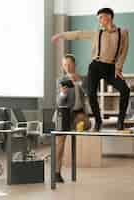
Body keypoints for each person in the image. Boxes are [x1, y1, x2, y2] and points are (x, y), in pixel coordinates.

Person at [51, 8, 130, 131]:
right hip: (96, 66)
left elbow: (124, 52)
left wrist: (119, 68)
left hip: (111, 67)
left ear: (108, 17)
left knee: (125, 90)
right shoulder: (96, 33)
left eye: (100, 18)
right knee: (91, 93)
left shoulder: (123, 33)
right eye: (98, 19)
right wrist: (61, 35)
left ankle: (120, 122)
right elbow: (78, 34)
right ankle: (98, 122)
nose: (99, 21)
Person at [53, 54, 91, 183]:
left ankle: (76, 127)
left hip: (78, 113)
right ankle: (56, 173)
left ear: (74, 64)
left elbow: (90, 93)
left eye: (69, 64)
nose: (67, 67)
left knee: (86, 123)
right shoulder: (60, 80)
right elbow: (58, 101)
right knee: (60, 143)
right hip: (63, 113)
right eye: (64, 65)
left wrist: (79, 82)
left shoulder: (83, 79)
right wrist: (63, 93)